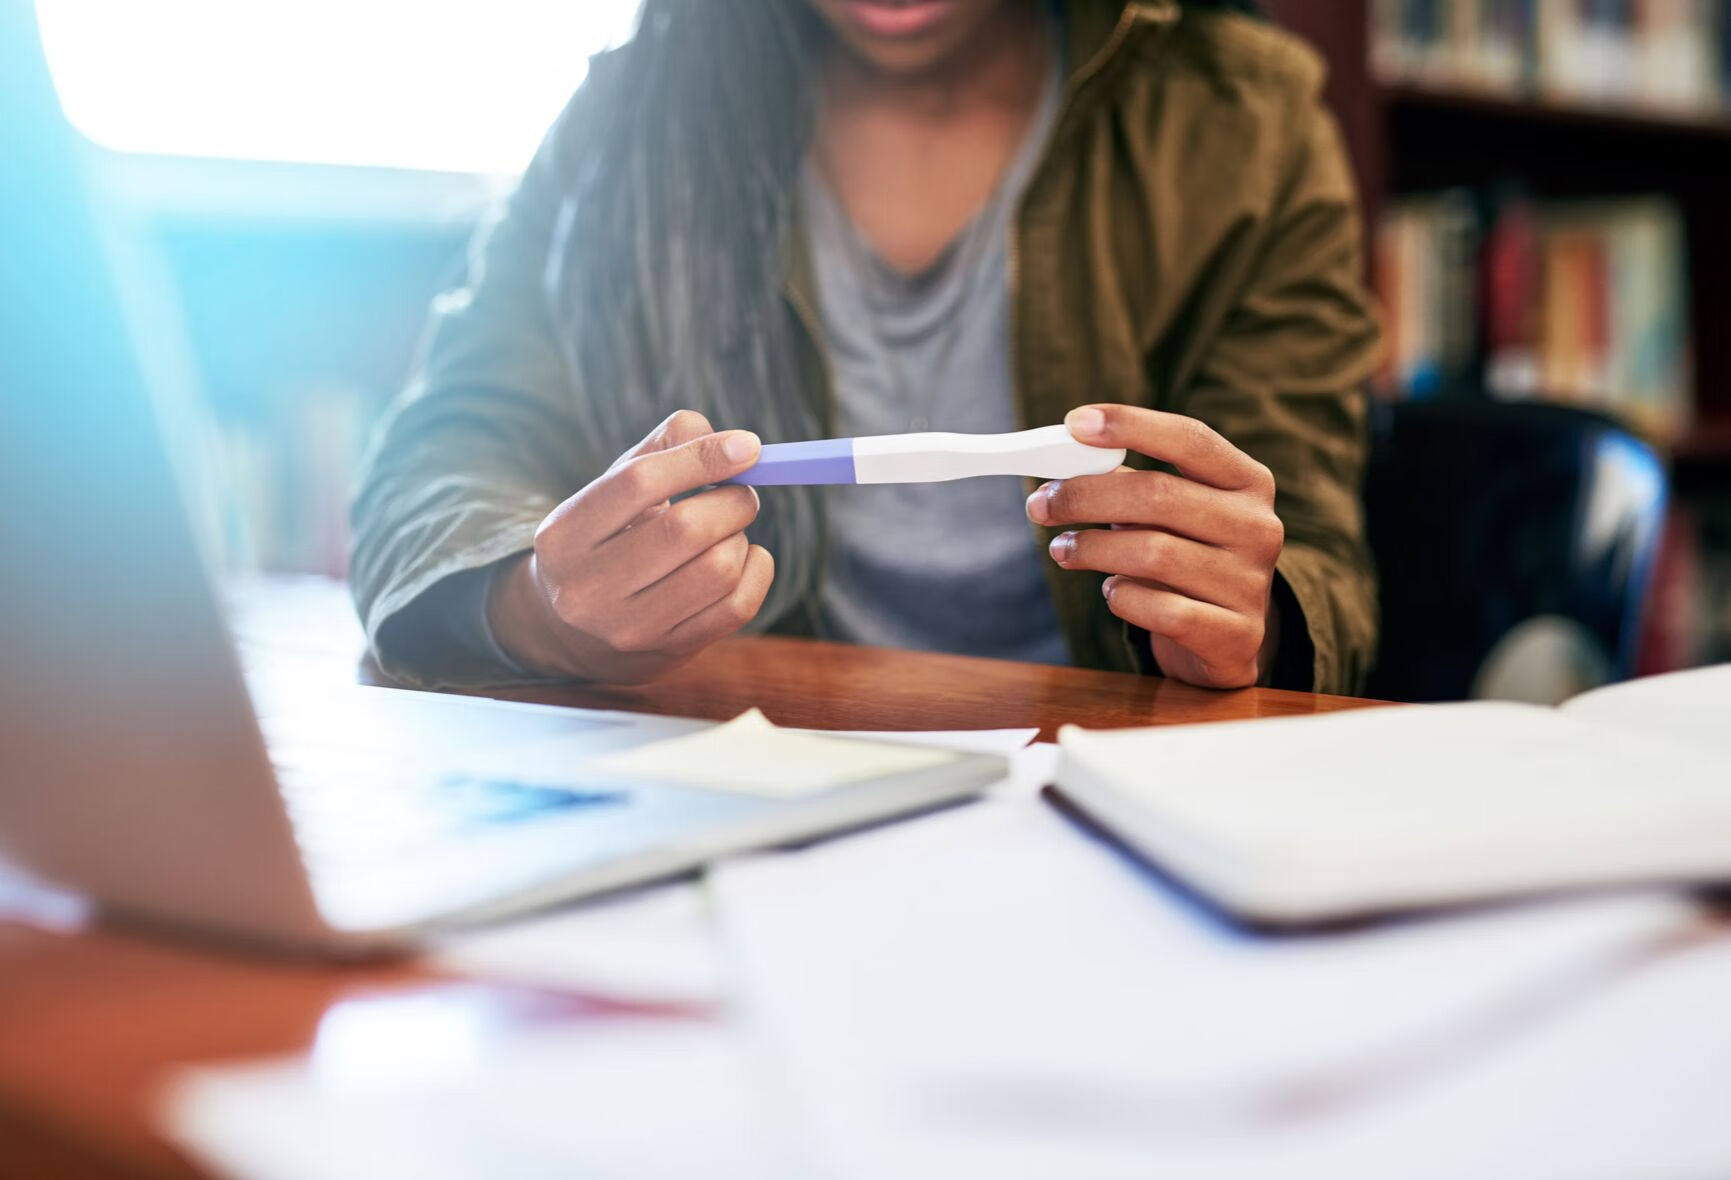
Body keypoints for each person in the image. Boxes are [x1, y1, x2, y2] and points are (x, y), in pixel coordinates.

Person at [350, 0, 1382, 695]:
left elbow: (1319, 554)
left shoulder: (1247, 128)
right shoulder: (626, 118)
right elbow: (439, 462)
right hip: (740, 775)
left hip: (1104, 783)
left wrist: (1253, 614)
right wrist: (539, 608)